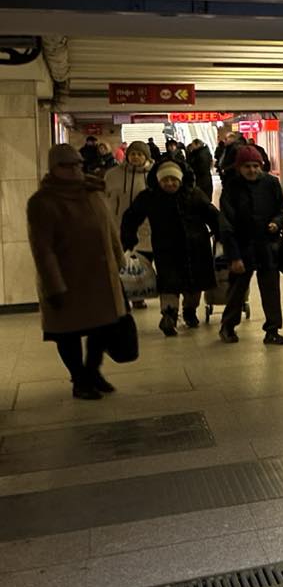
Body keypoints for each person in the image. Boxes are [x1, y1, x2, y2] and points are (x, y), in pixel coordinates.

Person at [27, 144, 130, 399]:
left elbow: (109, 230)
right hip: (67, 278)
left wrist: (118, 261)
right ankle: (79, 379)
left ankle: (92, 371)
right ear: (53, 168)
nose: (74, 170)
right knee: (68, 332)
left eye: (77, 164)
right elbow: (43, 248)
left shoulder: (92, 192)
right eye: (66, 165)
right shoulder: (42, 202)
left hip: (100, 275)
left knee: (103, 327)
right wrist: (54, 285)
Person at [122, 157, 222, 336]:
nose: (169, 183)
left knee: (194, 285)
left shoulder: (194, 194)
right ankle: (169, 315)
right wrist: (128, 240)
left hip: (196, 247)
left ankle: (190, 311)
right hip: (166, 248)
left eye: (173, 179)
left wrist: (222, 236)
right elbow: (131, 217)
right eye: (165, 180)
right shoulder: (150, 197)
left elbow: (212, 216)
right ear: (158, 180)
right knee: (169, 283)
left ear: (181, 179)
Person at [217, 144, 283, 345]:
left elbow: (282, 208)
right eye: (247, 166)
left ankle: (273, 329)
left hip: (267, 245)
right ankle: (228, 326)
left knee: (271, 290)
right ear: (239, 167)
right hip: (242, 246)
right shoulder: (232, 187)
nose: (252, 170)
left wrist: (276, 222)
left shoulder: (271, 183)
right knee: (237, 290)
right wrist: (234, 256)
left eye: (256, 166)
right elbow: (226, 224)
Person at [104, 140, 154, 307]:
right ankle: (123, 297)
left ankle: (139, 295)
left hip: (146, 226)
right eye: (132, 154)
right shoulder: (113, 175)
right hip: (119, 225)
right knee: (121, 262)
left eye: (140, 154)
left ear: (146, 157)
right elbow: (106, 197)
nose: (135, 157)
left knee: (143, 262)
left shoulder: (153, 175)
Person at [187, 138, 215, 203]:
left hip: (202, 180)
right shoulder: (203, 152)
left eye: (193, 145)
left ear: (197, 144)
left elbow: (202, 168)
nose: (192, 146)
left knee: (202, 198)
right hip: (205, 179)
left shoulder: (201, 154)